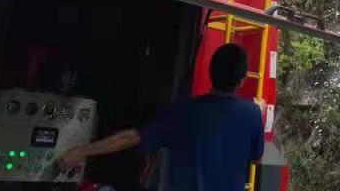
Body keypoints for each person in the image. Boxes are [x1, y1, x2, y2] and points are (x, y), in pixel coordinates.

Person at [58, 43, 266, 191]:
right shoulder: (253, 114)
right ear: (242, 79)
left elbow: (130, 137)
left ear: (211, 72)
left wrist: (82, 151)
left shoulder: (184, 111)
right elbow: (256, 158)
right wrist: (259, 113)